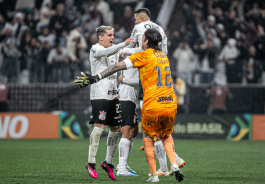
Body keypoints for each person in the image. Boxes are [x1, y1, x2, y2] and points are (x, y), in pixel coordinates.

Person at [75, 28, 184, 182]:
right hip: (170, 103)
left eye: (143, 38)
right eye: (110, 35)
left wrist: (96, 77)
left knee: (143, 135)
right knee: (164, 135)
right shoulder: (164, 56)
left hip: (149, 102)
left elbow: (118, 66)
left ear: (146, 41)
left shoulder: (141, 55)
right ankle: (172, 164)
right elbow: (112, 52)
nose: (112, 37)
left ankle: (152, 174)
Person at [128, 8, 186, 177]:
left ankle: (163, 168)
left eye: (135, 19)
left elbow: (134, 48)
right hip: (161, 81)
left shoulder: (140, 29)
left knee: (151, 132)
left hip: (147, 81)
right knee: (163, 133)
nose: (135, 22)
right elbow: (163, 53)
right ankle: (173, 161)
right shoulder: (160, 30)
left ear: (140, 17)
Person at [75, 25, 136, 180]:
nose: (112, 37)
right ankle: (91, 162)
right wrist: (123, 44)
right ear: (100, 37)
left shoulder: (115, 49)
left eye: (113, 35)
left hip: (114, 95)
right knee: (99, 127)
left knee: (116, 128)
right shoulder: (95, 49)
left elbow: (127, 52)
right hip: (99, 94)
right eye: (109, 35)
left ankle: (108, 162)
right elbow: (108, 51)